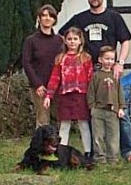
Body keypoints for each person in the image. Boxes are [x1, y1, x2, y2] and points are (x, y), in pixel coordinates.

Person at [59, 0, 131, 162]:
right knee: (93, 111)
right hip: (89, 70)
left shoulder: (114, 17)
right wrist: (71, 57)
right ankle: (97, 151)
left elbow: (125, 41)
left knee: (119, 108)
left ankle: (128, 150)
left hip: (110, 70)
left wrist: (120, 62)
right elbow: (62, 34)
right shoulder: (79, 18)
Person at [43, 27, 94, 162]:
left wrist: (92, 97)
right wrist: (49, 95)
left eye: (75, 39)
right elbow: (55, 78)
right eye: (69, 39)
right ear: (65, 41)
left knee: (83, 124)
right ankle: (62, 151)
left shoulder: (86, 58)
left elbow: (91, 79)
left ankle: (88, 152)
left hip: (81, 95)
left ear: (80, 41)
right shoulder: (60, 59)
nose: (72, 42)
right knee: (64, 125)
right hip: (65, 95)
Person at [22, 4, 63, 128]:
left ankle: (59, 146)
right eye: (44, 15)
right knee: (43, 121)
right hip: (40, 87)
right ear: (39, 18)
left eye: (50, 16)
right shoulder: (31, 40)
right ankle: (40, 146)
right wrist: (37, 84)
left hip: (57, 86)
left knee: (60, 119)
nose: (47, 18)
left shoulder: (59, 40)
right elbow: (26, 63)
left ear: (54, 20)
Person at [87, 46, 126, 164]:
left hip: (113, 110)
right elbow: (91, 92)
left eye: (112, 59)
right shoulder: (96, 76)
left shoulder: (116, 76)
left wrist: (121, 107)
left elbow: (120, 92)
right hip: (98, 110)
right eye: (106, 58)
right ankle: (100, 157)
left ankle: (113, 157)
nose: (109, 61)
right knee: (98, 136)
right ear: (100, 60)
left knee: (113, 136)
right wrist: (92, 107)